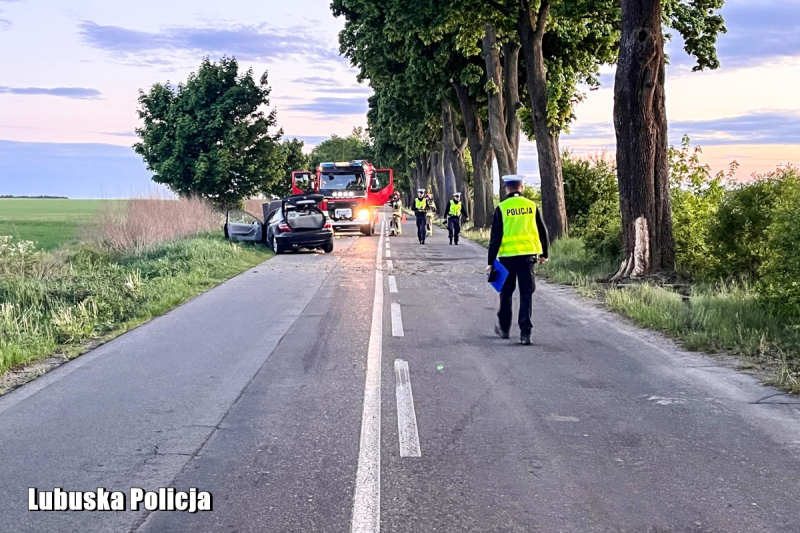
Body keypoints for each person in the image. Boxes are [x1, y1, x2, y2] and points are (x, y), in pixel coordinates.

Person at [487, 175, 549, 345]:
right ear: (521, 187)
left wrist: (490, 261)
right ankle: (525, 333)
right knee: (526, 293)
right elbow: (542, 231)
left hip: (507, 258)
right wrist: (544, 253)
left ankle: (504, 328)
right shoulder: (531, 206)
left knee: (506, 293)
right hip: (527, 258)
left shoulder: (502, 207)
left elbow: (495, 237)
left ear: (506, 188)